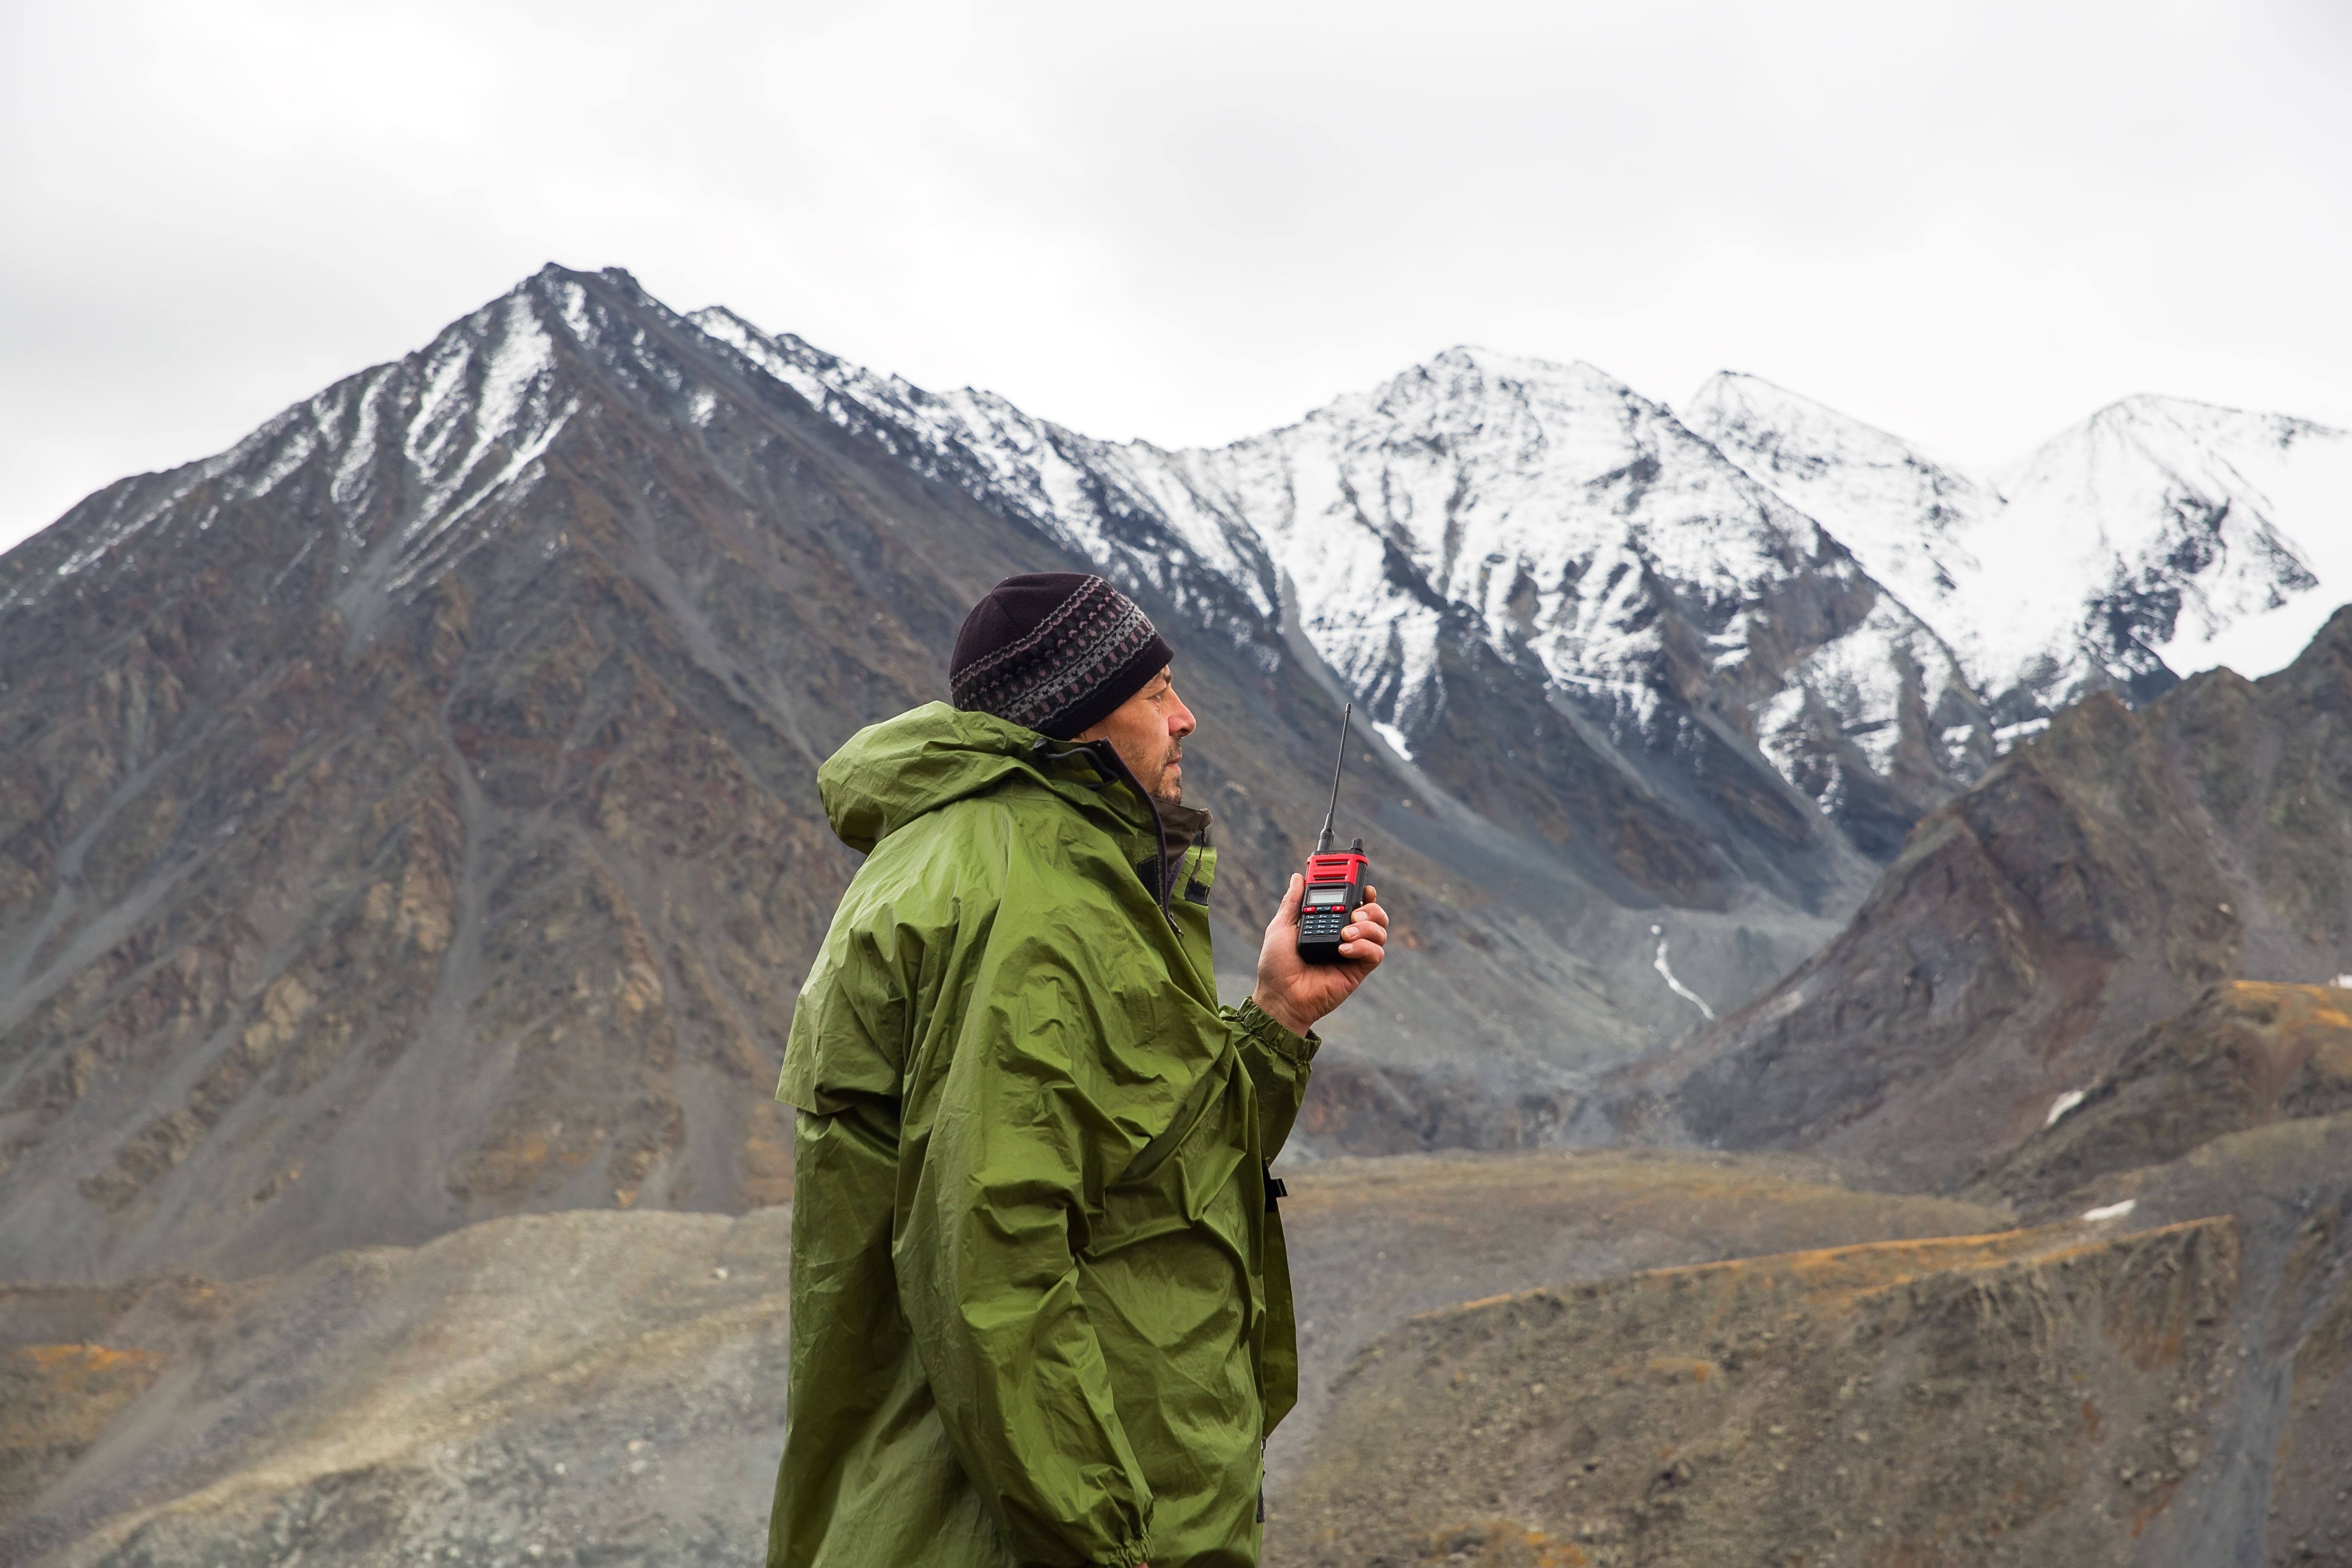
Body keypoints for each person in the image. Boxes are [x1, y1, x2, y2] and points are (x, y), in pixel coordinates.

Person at [768, 572, 1388, 1568]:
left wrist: (1275, 1018)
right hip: (1029, 1536)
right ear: (1075, 718)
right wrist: (1106, 1548)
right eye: (1154, 696)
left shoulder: (1002, 861)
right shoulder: (1036, 907)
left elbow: (1148, 1165)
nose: (1186, 720)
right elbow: (995, 1265)